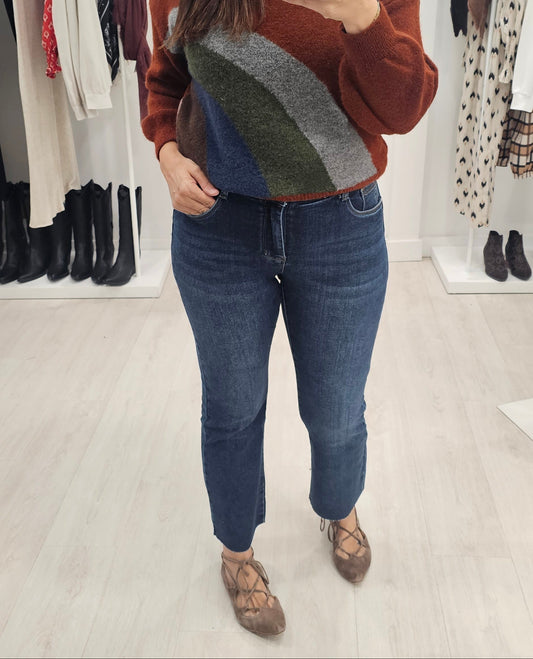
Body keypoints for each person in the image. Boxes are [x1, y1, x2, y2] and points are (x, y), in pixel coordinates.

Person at [141, 0, 438, 638]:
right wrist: (166, 152)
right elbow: (164, 76)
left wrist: (359, 16)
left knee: (337, 407)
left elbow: (403, 109)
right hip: (217, 224)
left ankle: (339, 507)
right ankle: (236, 554)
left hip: (341, 224)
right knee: (232, 407)